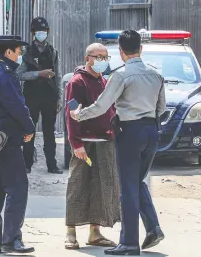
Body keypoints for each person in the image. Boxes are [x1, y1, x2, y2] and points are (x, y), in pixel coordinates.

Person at [70, 30, 166, 255]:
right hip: (151, 131)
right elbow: (161, 108)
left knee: (128, 187)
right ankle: (153, 228)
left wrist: (79, 115)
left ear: (121, 52)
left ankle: (129, 243)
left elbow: (102, 106)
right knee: (137, 181)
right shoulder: (156, 76)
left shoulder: (121, 76)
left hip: (130, 132)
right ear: (140, 49)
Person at [0, 35, 35, 255]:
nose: (20, 56)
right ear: (8, 53)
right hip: (6, 140)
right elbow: (17, 107)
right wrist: (29, 128)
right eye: (18, 51)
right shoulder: (5, 75)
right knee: (17, 188)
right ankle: (12, 239)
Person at [64, 43, 120, 250]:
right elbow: (71, 114)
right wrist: (76, 143)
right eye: (98, 57)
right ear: (88, 58)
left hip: (105, 141)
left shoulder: (105, 81)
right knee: (78, 185)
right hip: (85, 144)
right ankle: (70, 232)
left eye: (105, 57)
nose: (102, 61)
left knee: (101, 187)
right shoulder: (76, 82)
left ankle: (95, 232)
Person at [16, 16, 62, 174]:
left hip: (49, 96)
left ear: (48, 32)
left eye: (44, 31)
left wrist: (59, 98)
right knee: (29, 130)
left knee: (50, 132)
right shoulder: (26, 52)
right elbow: (20, 74)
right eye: (38, 31)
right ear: (33, 33)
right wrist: (38, 74)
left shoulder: (53, 51)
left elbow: (58, 76)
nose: (41, 34)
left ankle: (52, 164)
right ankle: (26, 164)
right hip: (31, 96)